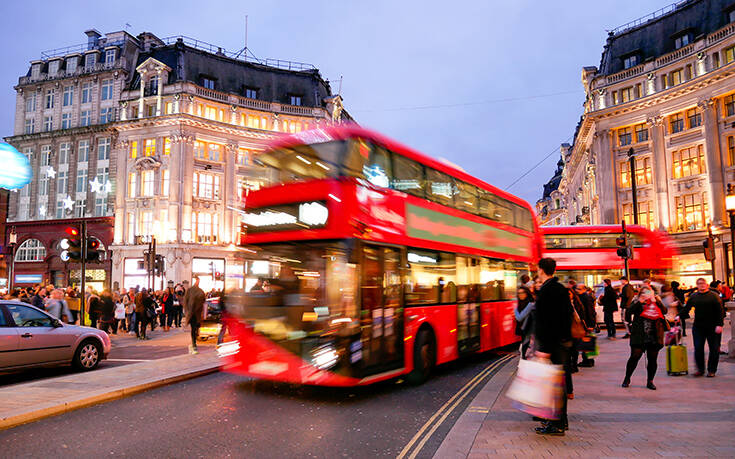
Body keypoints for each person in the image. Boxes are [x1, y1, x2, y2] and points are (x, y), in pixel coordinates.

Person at [533, 257, 573, 436]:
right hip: (562, 343)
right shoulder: (560, 289)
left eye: (537, 269)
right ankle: (560, 422)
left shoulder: (547, 290)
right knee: (558, 384)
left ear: (541, 270)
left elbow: (547, 322)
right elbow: (567, 316)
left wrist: (545, 349)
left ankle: (556, 424)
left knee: (553, 385)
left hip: (552, 345)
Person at [622, 286, 667, 390]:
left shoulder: (656, 301)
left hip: (654, 335)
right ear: (640, 293)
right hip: (640, 335)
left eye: (649, 292)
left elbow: (664, 311)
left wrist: (657, 301)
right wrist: (639, 302)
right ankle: (627, 378)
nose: (647, 294)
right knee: (634, 357)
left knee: (652, 360)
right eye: (644, 292)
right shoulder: (637, 301)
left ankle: (650, 381)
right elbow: (628, 312)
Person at [680, 278, 724, 377]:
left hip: (713, 327)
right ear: (697, 285)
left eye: (703, 283)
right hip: (698, 327)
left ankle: (712, 370)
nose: (702, 285)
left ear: (707, 285)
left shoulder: (714, 296)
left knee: (714, 349)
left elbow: (720, 311)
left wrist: (719, 325)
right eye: (699, 284)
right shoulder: (694, 296)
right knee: (698, 348)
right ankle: (700, 369)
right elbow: (687, 309)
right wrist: (679, 316)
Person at [575, 283, 596, 367]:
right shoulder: (583, 297)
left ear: (584, 289)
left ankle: (588, 361)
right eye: (576, 289)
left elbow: (590, 312)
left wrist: (591, 324)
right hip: (586, 323)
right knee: (586, 342)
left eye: (579, 289)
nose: (576, 290)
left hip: (587, 323)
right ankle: (588, 360)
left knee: (586, 342)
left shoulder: (585, 297)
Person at [184, 276, 206, 354]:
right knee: (194, 329)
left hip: (194, 313)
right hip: (194, 313)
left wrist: (186, 311)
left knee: (195, 329)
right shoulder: (195, 291)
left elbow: (185, 302)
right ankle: (194, 345)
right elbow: (186, 302)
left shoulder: (197, 291)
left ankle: (193, 344)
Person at [514, 286, 535, 359]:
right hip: (525, 330)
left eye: (522, 293)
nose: (520, 295)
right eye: (519, 293)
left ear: (527, 293)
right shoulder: (521, 304)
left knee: (525, 349)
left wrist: (515, 310)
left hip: (529, 331)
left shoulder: (530, 304)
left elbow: (519, 318)